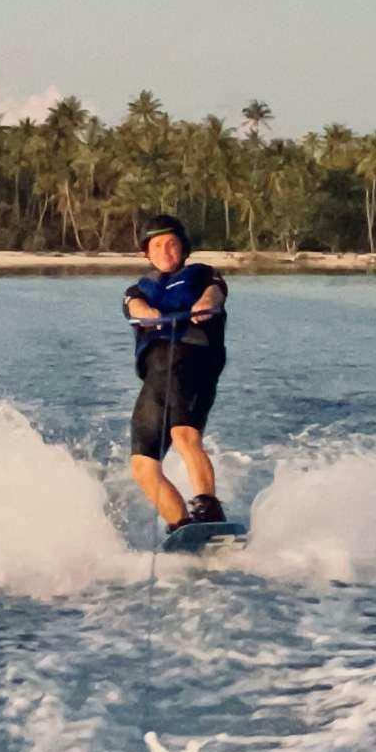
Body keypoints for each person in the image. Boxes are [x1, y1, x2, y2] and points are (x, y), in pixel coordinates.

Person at [122, 214, 229, 531]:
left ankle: (209, 512)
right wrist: (147, 314)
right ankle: (181, 527)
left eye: (172, 244)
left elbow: (216, 293)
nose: (166, 251)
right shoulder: (137, 290)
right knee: (142, 467)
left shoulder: (204, 276)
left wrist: (205, 304)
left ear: (183, 248)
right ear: (147, 253)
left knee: (184, 435)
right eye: (157, 245)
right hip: (156, 378)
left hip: (193, 363)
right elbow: (133, 307)